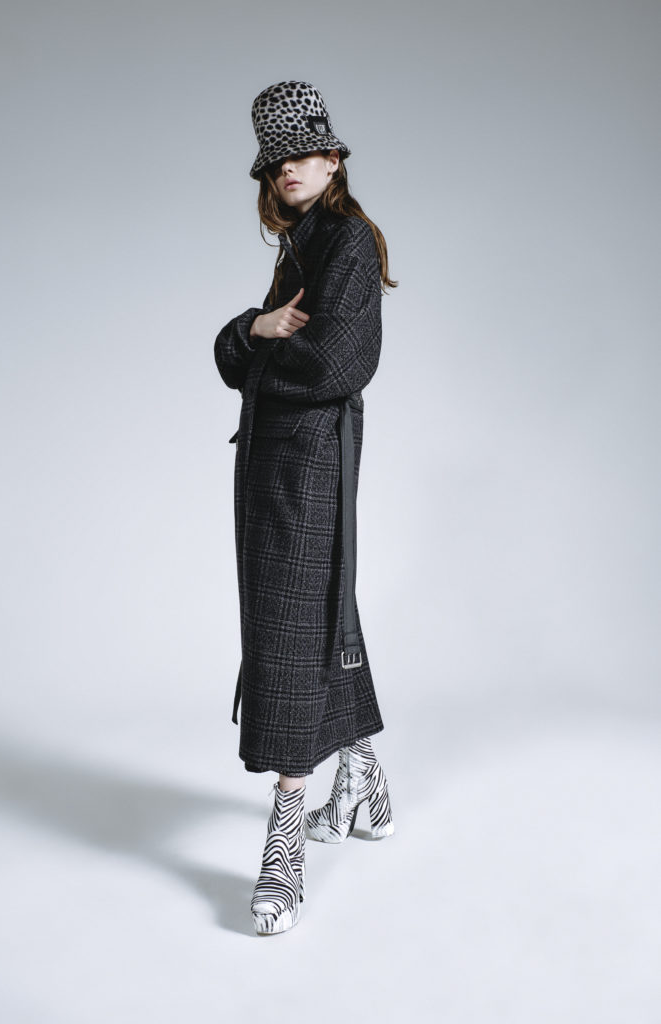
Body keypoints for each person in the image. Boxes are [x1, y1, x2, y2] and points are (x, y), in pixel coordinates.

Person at [214, 81, 398, 936]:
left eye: (302, 152)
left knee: (288, 629)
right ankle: (364, 781)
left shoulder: (348, 240)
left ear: (331, 158)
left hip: (310, 462)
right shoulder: (301, 245)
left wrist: (252, 349)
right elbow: (244, 349)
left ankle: (284, 840)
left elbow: (333, 365)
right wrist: (252, 329)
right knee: (320, 607)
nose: (287, 168)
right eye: (274, 159)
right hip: (272, 461)